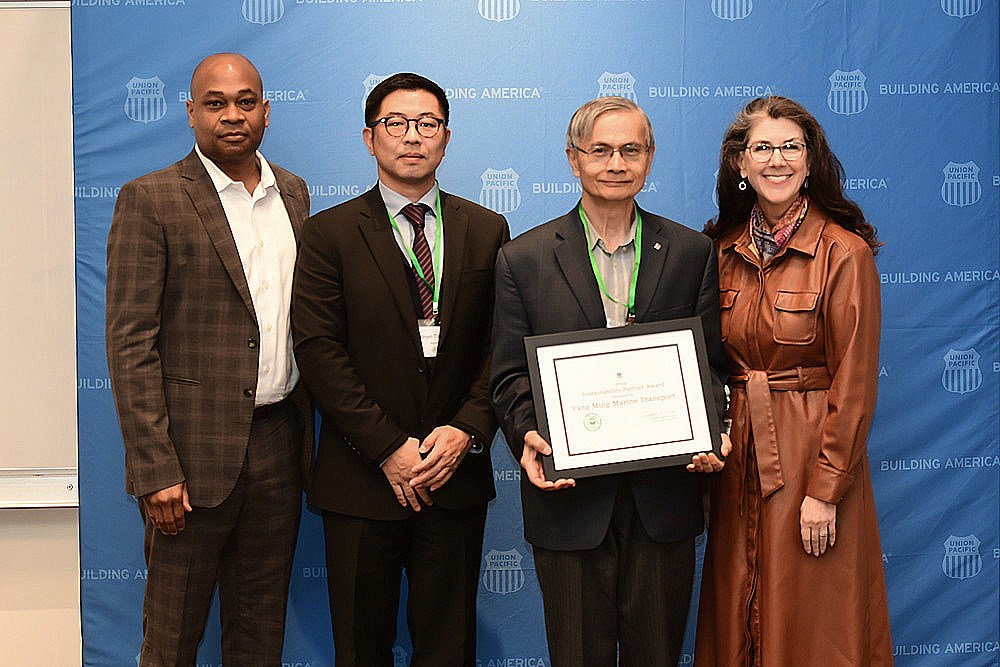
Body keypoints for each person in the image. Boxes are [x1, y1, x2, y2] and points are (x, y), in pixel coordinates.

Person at [490, 96, 730, 666]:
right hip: (570, 506)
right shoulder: (521, 258)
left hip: (664, 499)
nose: (615, 163)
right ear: (573, 160)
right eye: (600, 150)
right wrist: (528, 435)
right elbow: (506, 375)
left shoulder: (693, 251)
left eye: (630, 150)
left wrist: (713, 429)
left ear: (649, 159)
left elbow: (712, 363)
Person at [291, 72, 509, 666]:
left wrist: (465, 430)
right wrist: (388, 447)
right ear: (369, 138)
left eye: (427, 124)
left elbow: (501, 346)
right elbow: (317, 349)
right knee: (361, 647)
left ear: (445, 137)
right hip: (363, 478)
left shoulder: (487, 230)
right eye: (396, 124)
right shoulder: (329, 233)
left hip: (453, 474)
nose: (412, 137)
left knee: (448, 648)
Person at [105, 53, 312, 665]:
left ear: (266, 112)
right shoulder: (151, 199)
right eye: (215, 104)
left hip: (279, 445)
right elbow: (129, 342)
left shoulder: (293, 194)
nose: (232, 115)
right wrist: (155, 469)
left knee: (259, 634)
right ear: (190, 112)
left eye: (245, 102)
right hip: (188, 464)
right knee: (172, 640)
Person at [694, 96, 892, 666]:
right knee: (738, 603)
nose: (776, 159)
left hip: (810, 454)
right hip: (737, 457)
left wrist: (826, 490)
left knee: (813, 614)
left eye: (790, 147)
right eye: (762, 147)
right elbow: (704, 362)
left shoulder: (843, 253)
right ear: (740, 163)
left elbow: (854, 387)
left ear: (810, 162)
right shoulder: (719, 251)